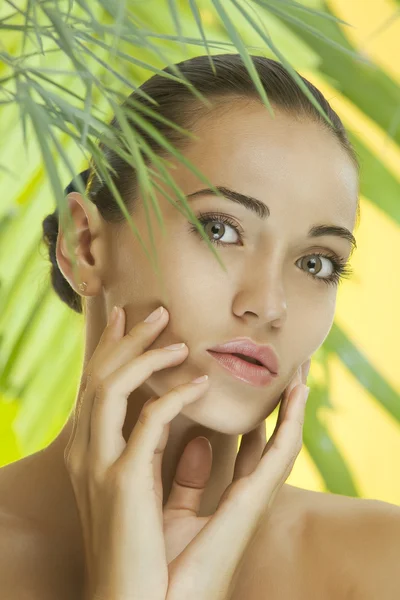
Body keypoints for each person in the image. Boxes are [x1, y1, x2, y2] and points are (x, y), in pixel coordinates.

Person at [1, 53, 399, 600]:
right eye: (220, 229)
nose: (270, 304)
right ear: (86, 246)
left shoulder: (383, 563)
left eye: (316, 263)